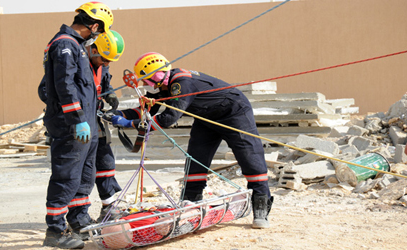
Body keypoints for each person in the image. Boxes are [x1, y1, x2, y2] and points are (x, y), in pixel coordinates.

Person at [110, 52, 273, 229]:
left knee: (250, 157)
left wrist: (130, 123)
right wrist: (118, 115)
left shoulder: (181, 83)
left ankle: (261, 206)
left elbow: (168, 118)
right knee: (197, 158)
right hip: (206, 117)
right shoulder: (164, 85)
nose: (143, 84)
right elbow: (149, 107)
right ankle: (190, 204)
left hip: (234, 112)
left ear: (155, 76)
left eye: (145, 79)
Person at [39, 2, 113, 249]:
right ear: (93, 26)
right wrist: (78, 119)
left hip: (87, 123)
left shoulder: (78, 47)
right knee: (67, 176)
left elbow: (86, 85)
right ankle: (55, 231)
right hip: (71, 124)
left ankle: (79, 220)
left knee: (85, 174)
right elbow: (65, 86)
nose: (98, 36)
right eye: (99, 32)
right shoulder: (65, 45)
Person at [85, 30, 126, 222]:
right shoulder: (76, 61)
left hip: (95, 119)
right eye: (105, 59)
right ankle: (77, 216)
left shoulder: (101, 63)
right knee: (81, 169)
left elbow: (103, 82)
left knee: (106, 161)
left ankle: (109, 206)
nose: (107, 64)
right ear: (93, 50)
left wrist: (108, 92)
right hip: (77, 122)